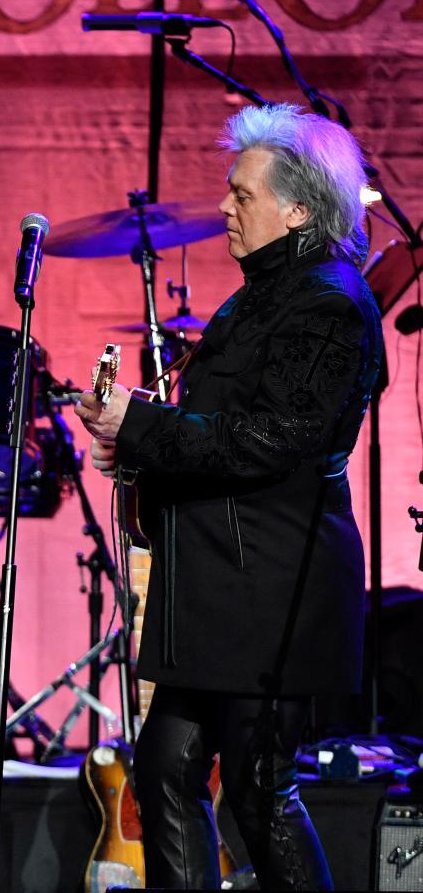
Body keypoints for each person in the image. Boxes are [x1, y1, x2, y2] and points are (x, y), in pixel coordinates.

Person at [75, 103, 383, 890]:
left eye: (242, 195)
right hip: (219, 582)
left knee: (256, 787)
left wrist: (143, 426)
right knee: (163, 769)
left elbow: (269, 439)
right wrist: (136, 442)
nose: (223, 206)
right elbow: (219, 428)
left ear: (299, 208)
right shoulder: (256, 298)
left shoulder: (329, 304)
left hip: (271, 584)